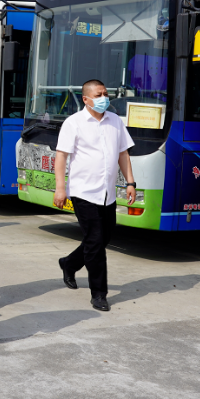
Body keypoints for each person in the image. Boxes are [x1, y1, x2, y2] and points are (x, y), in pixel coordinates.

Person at [53, 79, 136, 312]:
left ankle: (69, 263)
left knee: (102, 238)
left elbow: (123, 154)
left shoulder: (115, 121)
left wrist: (130, 182)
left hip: (107, 192)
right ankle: (99, 293)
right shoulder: (74, 123)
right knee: (96, 242)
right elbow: (61, 157)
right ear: (86, 99)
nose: (104, 98)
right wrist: (60, 188)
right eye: (99, 95)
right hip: (83, 192)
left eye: (105, 94)